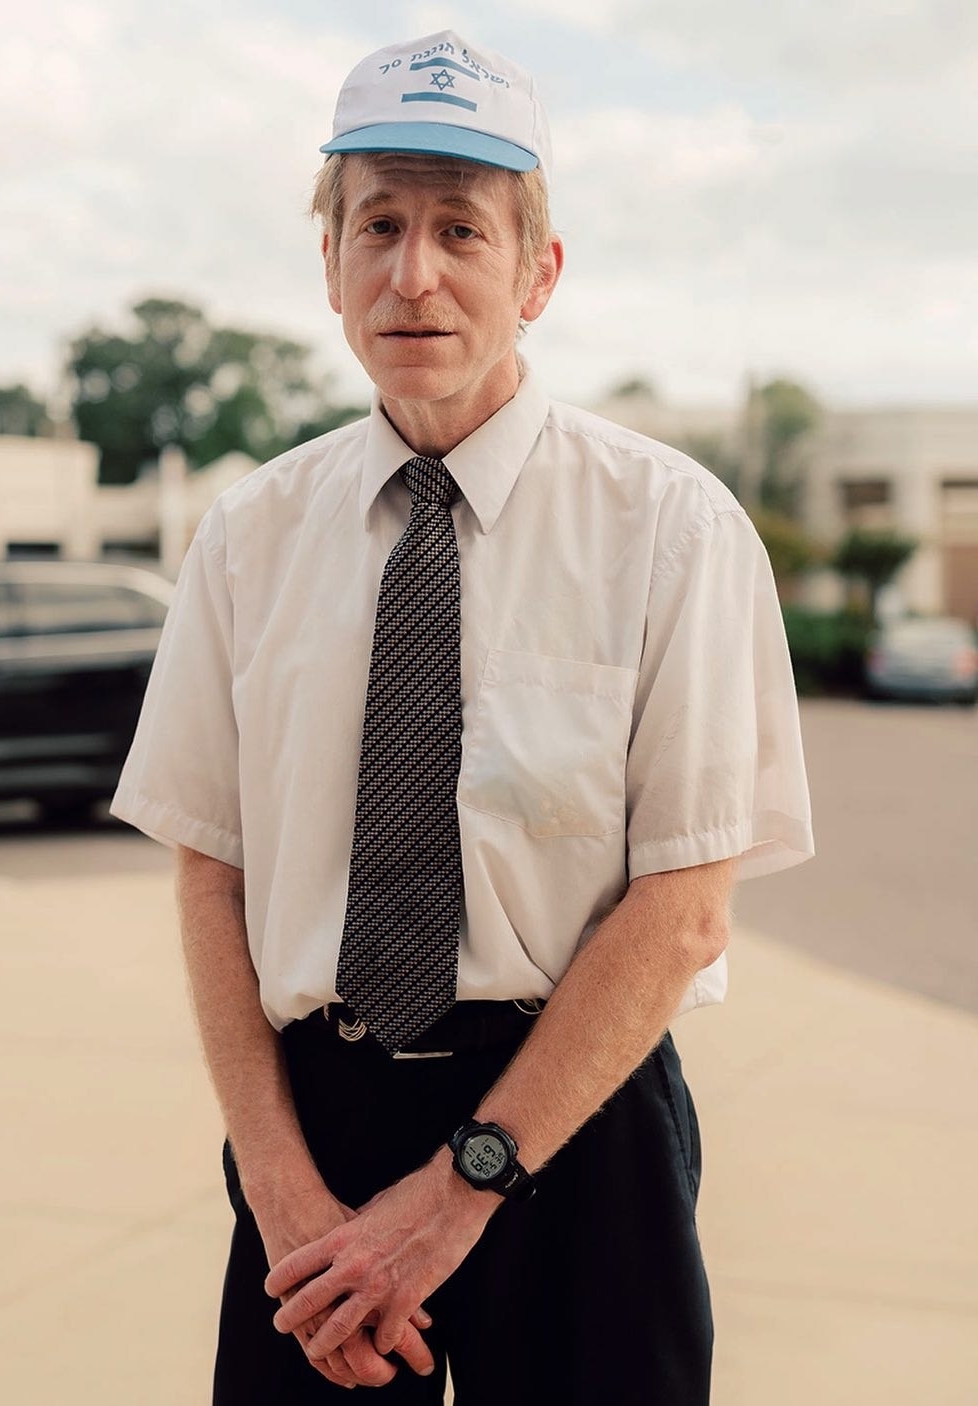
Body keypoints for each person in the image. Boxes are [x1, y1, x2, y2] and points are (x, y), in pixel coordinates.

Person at [110, 28, 813, 1404]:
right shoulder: (249, 536)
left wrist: (459, 1188)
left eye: (458, 228)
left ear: (536, 270)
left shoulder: (670, 529)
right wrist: (281, 1191)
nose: (410, 272)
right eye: (375, 223)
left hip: (574, 1137)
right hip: (310, 1136)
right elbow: (212, 867)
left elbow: (682, 908)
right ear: (328, 264)